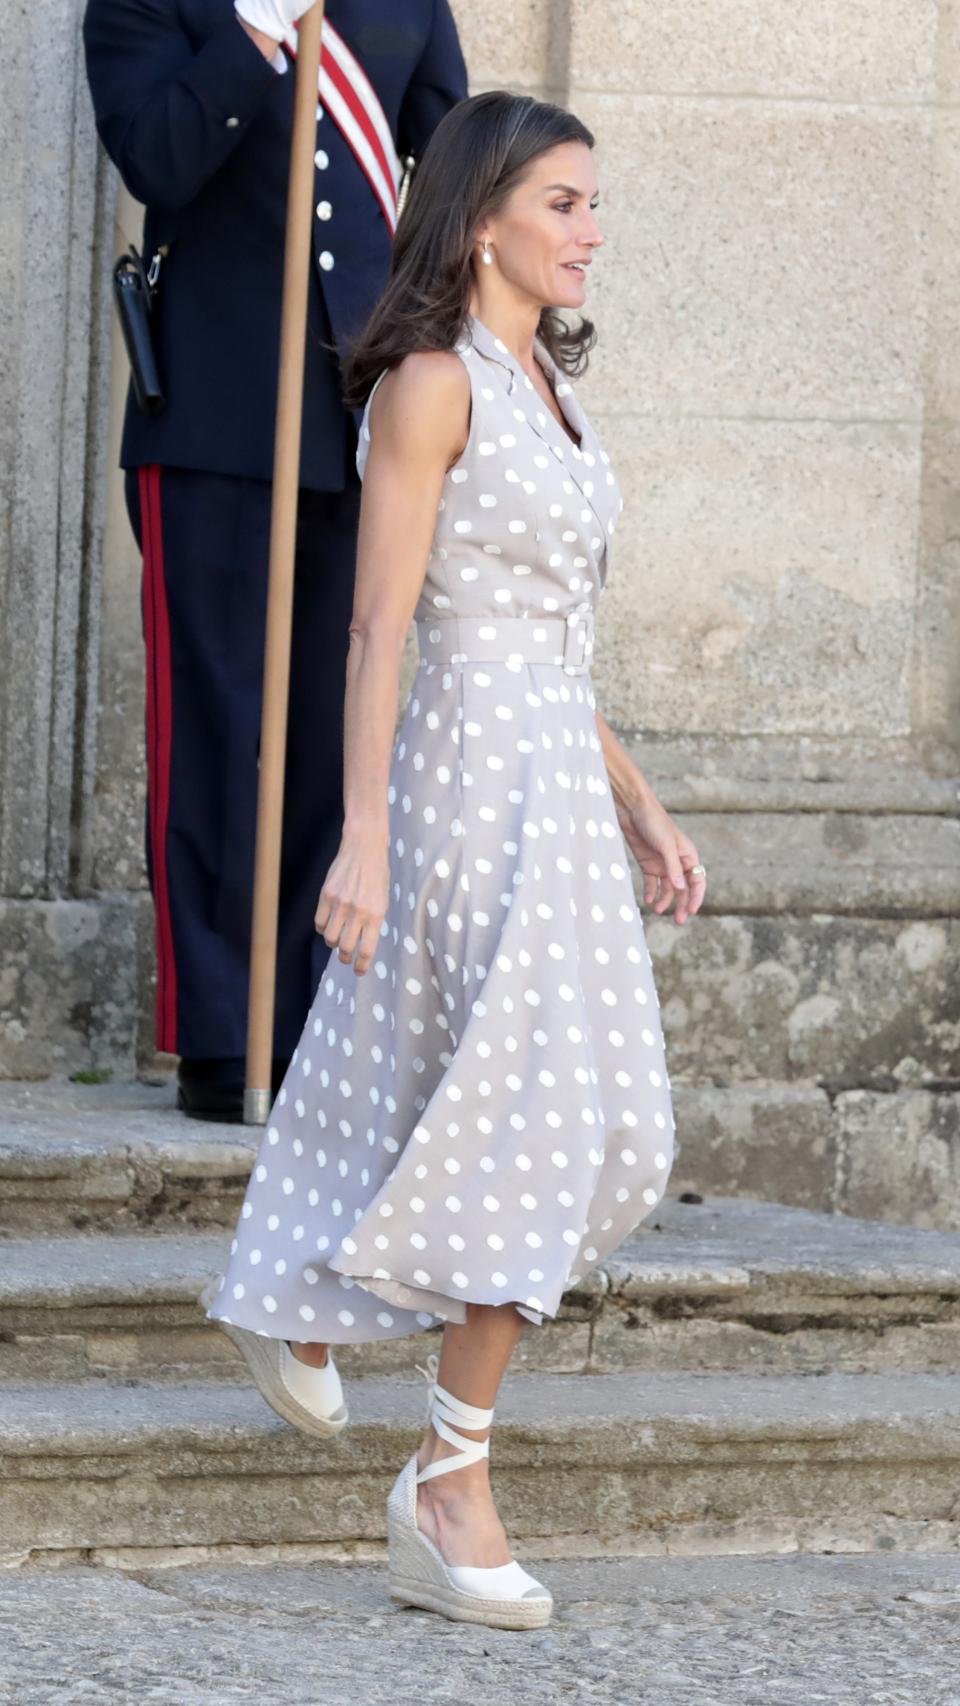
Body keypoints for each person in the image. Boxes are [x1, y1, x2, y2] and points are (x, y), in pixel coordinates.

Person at [205, 88, 707, 1630]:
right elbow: (380, 625)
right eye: (563, 201)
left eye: (594, 204)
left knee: (600, 1127)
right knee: (522, 1114)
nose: (588, 230)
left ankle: (291, 1299)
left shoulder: (550, 394)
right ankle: (449, 1473)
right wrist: (357, 831)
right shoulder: (431, 385)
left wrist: (636, 795)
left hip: (556, 774)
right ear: (481, 212)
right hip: (466, 779)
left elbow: (560, 636)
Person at [82, 0, 468, 1119]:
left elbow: (453, 177)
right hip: (211, 420)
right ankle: (219, 1032)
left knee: (328, 734)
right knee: (215, 731)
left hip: (361, 427)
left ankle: (308, 1023)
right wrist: (249, 38)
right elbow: (158, 158)